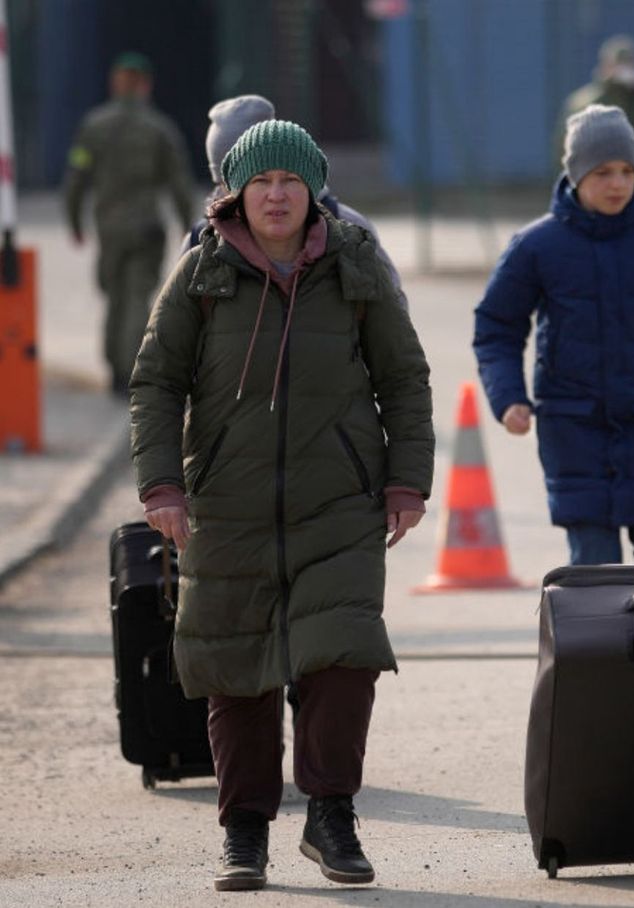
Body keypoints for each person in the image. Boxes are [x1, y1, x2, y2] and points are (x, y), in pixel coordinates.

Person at [129, 120, 435, 892]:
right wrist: (162, 485)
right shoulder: (201, 274)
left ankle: (332, 815)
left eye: (290, 182)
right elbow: (157, 384)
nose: (276, 194)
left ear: (313, 192)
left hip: (340, 499)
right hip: (226, 505)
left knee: (344, 658)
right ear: (236, 192)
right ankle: (244, 832)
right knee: (236, 666)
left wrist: (407, 481)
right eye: (261, 181)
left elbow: (403, 378)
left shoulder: (355, 264)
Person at [475, 105, 634, 565]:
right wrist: (508, 396)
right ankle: (606, 640)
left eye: (627, 170)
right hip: (573, 433)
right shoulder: (537, 247)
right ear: (574, 175)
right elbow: (497, 326)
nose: (617, 183)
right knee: (593, 572)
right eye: (602, 171)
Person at [184, 94, 408, 312]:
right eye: (226, 184)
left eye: (258, 179)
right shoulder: (201, 240)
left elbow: (392, 321)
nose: (269, 196)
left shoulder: (349, 231)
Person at [63, 51, 195, 394]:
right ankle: (132, 369)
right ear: (145, 85)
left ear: (115, 83)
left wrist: (74, 221)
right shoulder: (159, 128)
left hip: (109, 228)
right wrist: (187, 223)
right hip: (146, 227)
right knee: (138, 297)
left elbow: (76, 176)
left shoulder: (93, 126)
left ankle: (115, 370)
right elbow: (179, 181)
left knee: (115, 298)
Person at [553, 35, 634, 169]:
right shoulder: (588, 103)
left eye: (630, 64)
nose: (626, 71)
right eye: (620, 65)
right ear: (606, 67)